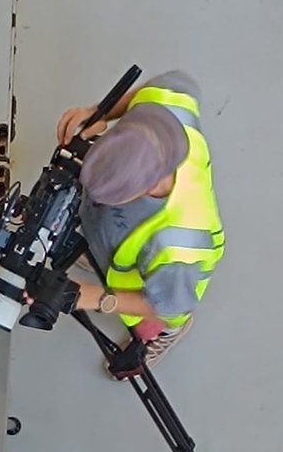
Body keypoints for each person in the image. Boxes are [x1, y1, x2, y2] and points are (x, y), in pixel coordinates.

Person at [55, 69, 224, 370]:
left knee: (152, 323)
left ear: (145, 189)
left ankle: (169, 334)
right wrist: (97, 113)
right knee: (104, 239)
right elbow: (151, 90)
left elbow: (167, 304)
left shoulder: (178, 247)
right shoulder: (169, 107)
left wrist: (95, 297)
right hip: (114, 239)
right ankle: (97, 251)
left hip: (165, 292)